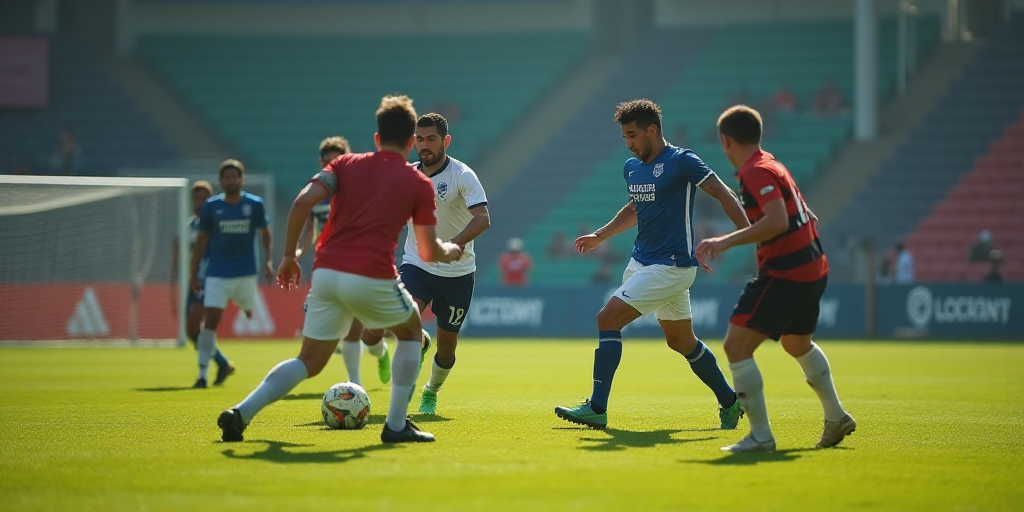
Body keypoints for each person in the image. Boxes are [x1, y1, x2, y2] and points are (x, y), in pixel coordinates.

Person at [217, 95, 462, 444]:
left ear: (376, 138)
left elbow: (302, 202)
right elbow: (427, 250)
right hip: (372, 274)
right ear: (411, 143)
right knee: (410, 334)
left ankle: (241, 412)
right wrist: (450, 251)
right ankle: (395, 426)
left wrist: (288, 257)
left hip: (326, 274)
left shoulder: (345, 164)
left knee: (309, 360)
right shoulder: (417, 184)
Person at [554, 99, 751, 431]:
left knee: (607, 317)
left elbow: (722, 193)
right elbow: (636, 207)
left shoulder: (682, 160)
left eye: (632, 135)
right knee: (681, 341)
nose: (629, 144)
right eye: (624, 138)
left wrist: (747, 234)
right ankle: (731, 404)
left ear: (652, 130)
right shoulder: (632, 167)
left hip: (672, 266)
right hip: (641, 262)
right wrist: (601, 235)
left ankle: (597, 407)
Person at [696, 105, 854, 452]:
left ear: (725, 141)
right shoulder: (773, 163)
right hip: (813, 266)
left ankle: (761, 437)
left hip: (787, 271)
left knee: (736, 347)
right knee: (797, 344)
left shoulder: (755, 171)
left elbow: (779, 220)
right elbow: (803, 212)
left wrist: (724, 240)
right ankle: (836, 417)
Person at [394, 113, 491, 415]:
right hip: (417, 263)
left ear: (446, 141)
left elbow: (483, 218)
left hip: (457, 272)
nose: (424, 145)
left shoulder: (462, 175)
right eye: (419, 139)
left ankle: (431, 391)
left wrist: (455, 244)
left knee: (446, 349)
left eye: (431, 139)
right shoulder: (407, 175)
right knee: (402, 317)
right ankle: (417, 340)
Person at [295, 136, 392, 388]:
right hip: (327, 266)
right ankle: (356, 384)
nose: (331, 164)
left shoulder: (358, 190)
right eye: (326, 160)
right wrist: (295, 253)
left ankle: (381, 354)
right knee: (351, 331)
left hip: (357, 264)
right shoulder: (316, 192)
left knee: (368, 337)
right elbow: (310, 232)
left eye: (335, 159)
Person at [189, 159, 274, 389]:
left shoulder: (254, 205)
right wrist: (193, 271)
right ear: (220, 180)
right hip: (217, 273)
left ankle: (246, 306)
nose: (230, 180)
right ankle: (202, 374)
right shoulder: (211, 207)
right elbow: (202, 240)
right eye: (225, 177)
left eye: (234, 177)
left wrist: (268, 261)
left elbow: (265, 233)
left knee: (248, 307)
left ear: (241, 179)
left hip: (246, 273)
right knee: (210, 324)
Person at [171, 181, 234, 385]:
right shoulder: (188, 225)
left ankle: (203, 375)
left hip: (210, 279)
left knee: (198, 325)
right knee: (191, 331)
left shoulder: (218, 224)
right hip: (192, 281)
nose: (199, 201)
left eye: (204, 197)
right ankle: (222, 362)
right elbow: (179, 254)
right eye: (196, 198)